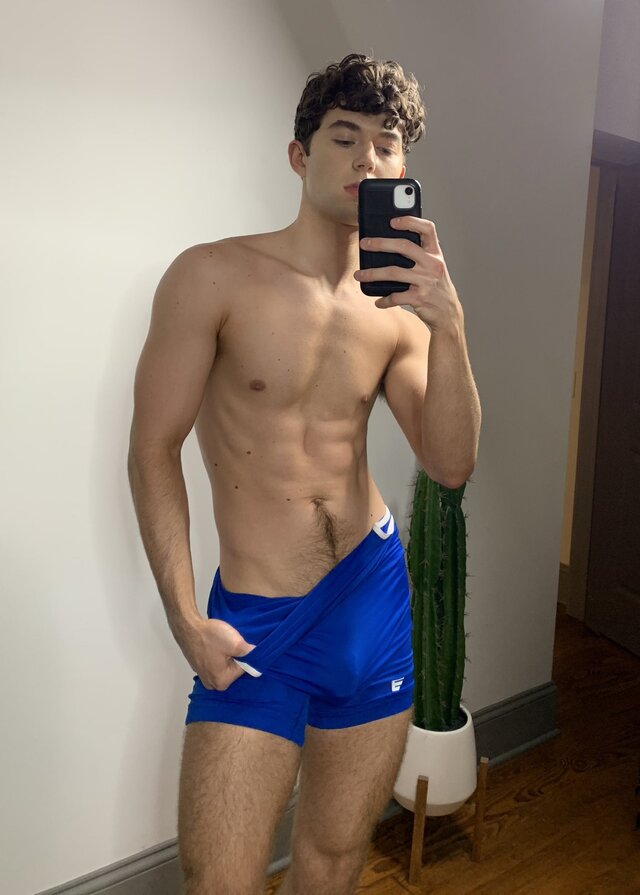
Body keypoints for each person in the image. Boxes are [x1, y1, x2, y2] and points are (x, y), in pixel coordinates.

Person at [128, 53, 481, 895]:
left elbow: (451, 462)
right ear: (300, 154)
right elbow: (152, 449)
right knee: (219, 880)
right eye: (344, 136)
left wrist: (450, 325)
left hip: (371, 599)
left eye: (387, 143)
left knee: (333, 860)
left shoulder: (399, 312)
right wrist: (185, 617)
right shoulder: (212, 276)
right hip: (260, 622)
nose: (367, 158)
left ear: (403, 167)